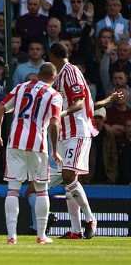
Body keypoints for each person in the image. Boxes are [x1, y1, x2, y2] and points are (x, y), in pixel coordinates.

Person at [0, 62, 62, 244]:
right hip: (38, 146)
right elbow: (54, 123)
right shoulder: (53, 95)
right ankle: (41, 235)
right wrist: (54, 149)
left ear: (38, 74)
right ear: (53, 79)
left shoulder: (21, 87)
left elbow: (0, 109)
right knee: (41, 190)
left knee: (13, 189)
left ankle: (12, 236)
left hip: (15, 143)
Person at [49, 42, 98, 239]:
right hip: (65, 133)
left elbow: (79, 102)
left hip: (77, 130)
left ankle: (91, 219)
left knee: (69, 176)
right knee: (70, 181)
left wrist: (61, 114)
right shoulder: (60, 75)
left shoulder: (71, 71)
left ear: (52, 56)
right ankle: (76, 230)